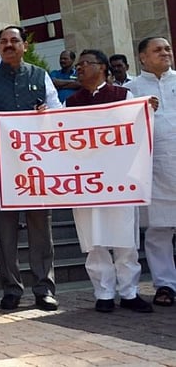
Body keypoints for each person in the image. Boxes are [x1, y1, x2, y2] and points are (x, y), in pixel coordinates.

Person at [0, 25, 61, 311]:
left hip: (37, 165)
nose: (9, 45)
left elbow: (57, 111)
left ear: (24, 45)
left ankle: (44, 288)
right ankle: (11, 289)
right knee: (5, 230)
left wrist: (46, 114)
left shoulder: (41, 76)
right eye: (4, 42)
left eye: (15, 41)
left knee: (41, 228)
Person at [66, 49, 151, 313]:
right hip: (86, 180)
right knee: (93, 238)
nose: (79, 68)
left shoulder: (124, 96)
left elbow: (137, 129)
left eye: (85, 64)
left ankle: (129, 291)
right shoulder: (70, 103)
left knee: (124, 236)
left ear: (102, 67)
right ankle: (103, 293)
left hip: (118, 177)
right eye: (78, 65)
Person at [125, 37, 176, 308]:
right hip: (155, 169)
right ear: (143, 57)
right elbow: (122, 127)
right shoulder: (131, 90)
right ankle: (165, 284)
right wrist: (140, 110)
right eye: (158, 50)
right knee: (159, 231)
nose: (165, 53)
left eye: (167, 49)